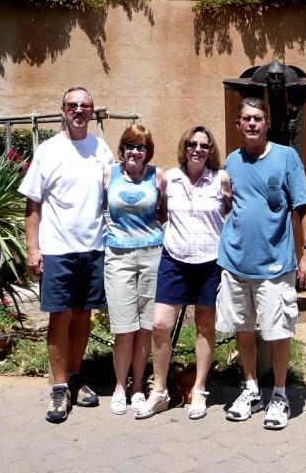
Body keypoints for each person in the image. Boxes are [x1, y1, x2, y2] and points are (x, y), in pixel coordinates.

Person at [217, 97, 306, 431]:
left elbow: (303, 207)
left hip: (275, 266)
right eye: (246, 118)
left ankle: (279, 394)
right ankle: (250, 390)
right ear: (238, 124)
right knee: (243, 329)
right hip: (236, 263)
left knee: (278, 331)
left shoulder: (287, 158)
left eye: (258, 118)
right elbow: (225, 206)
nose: (252, 123)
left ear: (266, 123)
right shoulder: (231, 161)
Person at [19, 86, 114, 424]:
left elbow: (116, 194)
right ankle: (59, 386)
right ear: (62, 110)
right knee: (60, 316)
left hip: (92, 247)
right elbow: (33, 204)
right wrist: (33, 248)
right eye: (72, 105)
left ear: (91, 111)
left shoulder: (101, 148)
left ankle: (74, 376)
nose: (78, 110)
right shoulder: (48, 151)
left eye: (85, 105)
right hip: (57, 249)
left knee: (83, 314)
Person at [136, 125, 232, 420]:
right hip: (174, 260)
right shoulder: (170, 178)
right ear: (185, 145)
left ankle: (200, 389)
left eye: (204, 145)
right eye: (193, 143)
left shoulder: (220, 179)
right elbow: (160, 212)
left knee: (205, 326)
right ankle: (160, 390)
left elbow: (229, 212)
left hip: (208, 261)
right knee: (160, 324)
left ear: (210, 149)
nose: (198, 149)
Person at [103, 123, 166, 415]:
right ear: (122, 148)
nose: (135, 152)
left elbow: (163, 213)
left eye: (141, 147)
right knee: (123, 327)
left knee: (145, 327)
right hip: (118, 255)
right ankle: (119, 386)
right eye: (130, 145)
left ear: (148, 152)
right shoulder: (108, 174)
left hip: (152, 253)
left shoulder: (158, 176)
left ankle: (138, 387)